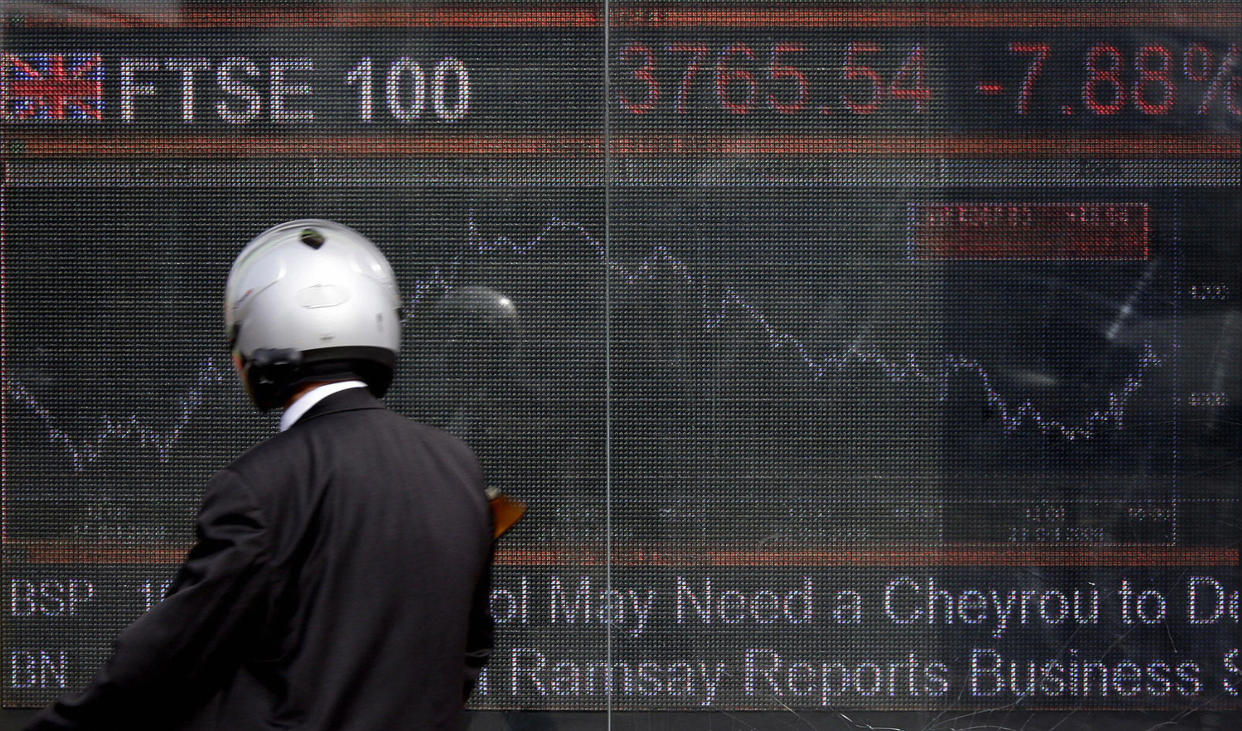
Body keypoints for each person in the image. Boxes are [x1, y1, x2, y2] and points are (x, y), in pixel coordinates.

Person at [26, 220, 495, 730]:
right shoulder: (458, 467)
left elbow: (171, 658)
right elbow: (469, 649)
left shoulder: (260, 486)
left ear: (261, 331)